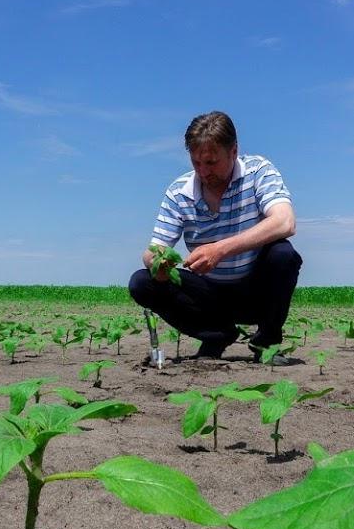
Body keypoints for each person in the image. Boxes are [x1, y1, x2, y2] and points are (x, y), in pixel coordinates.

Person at [128, 110, 303, 360]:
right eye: (196, 162)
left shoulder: (258, 171)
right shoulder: (179, 192)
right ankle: (217, 334)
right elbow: (153, 248)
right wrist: (157, 263)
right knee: (142, 282)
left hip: (255, 290)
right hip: (209, 293)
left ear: (233, 151)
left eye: (211, 162)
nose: (203, 171)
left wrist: (220, 249)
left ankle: (266, 342)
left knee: (283, 254)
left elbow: (285, 221)